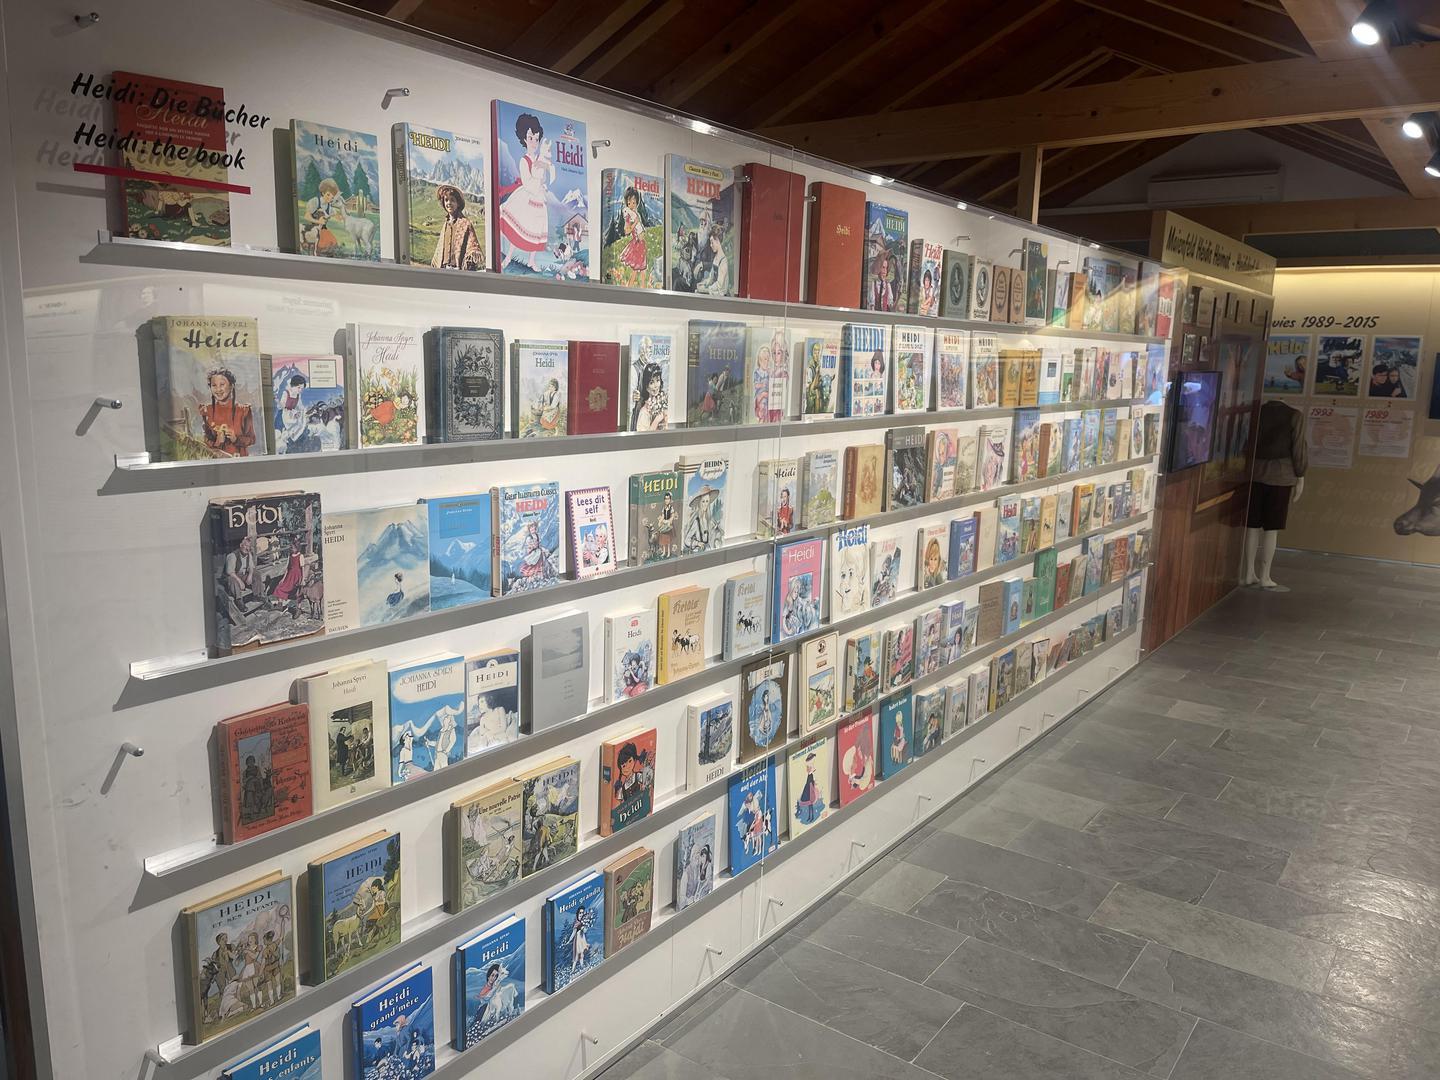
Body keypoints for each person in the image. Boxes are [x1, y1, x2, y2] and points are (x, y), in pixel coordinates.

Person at [1241, 399, 1306, 591]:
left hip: (1254, 473)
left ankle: (1248, 573)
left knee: (1252, 526)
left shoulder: (1255, 413)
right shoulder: (1294, 415)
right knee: (1272, 529)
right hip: (1281, 476)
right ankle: (1265, 576)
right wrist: (1300, 475)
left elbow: (1244, 443)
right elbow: (1298, 447)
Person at [497, 112, 554, 272]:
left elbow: (545, 178)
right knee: (521, 226)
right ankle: (509, 256)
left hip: (539, 198)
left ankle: (531, 260)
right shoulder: (524, 160)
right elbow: (528, 182)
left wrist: (544, 171)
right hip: (527, 196)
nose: (534, 142)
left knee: (536, 229)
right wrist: (539, 180)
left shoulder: (540, 159)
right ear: (524, 139)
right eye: (530, 138)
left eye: (536, 139)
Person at [201, 367, 256, 457]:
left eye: (222, 384)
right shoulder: (207, 411)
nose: (218, 389)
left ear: (231, 386)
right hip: (216, 462)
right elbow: (205, 440)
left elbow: (252, 439)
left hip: (240, 461)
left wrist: (235, 439)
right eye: (214, 385)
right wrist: (218, 442)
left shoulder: (243, 411)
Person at [431, 184, 483, 271]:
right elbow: (440, 249)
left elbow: (472, 248)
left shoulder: (466, 224)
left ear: (458, 203)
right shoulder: (445, 225)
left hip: (459, 269)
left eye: (452, 200)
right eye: (446, 200)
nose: (449, 203)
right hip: (443, 269)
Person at [618, 186, 649, 286]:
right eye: (629, 203)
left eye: (634, 202)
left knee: (642, 270)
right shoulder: (628, 215)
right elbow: (626, 231)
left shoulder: (635, 213)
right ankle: (630, 287)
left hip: (641, 243)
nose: (631, 205)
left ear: (637, 202)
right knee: (636, 270)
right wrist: (635, 222)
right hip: (637, 244)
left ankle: (643, 288)